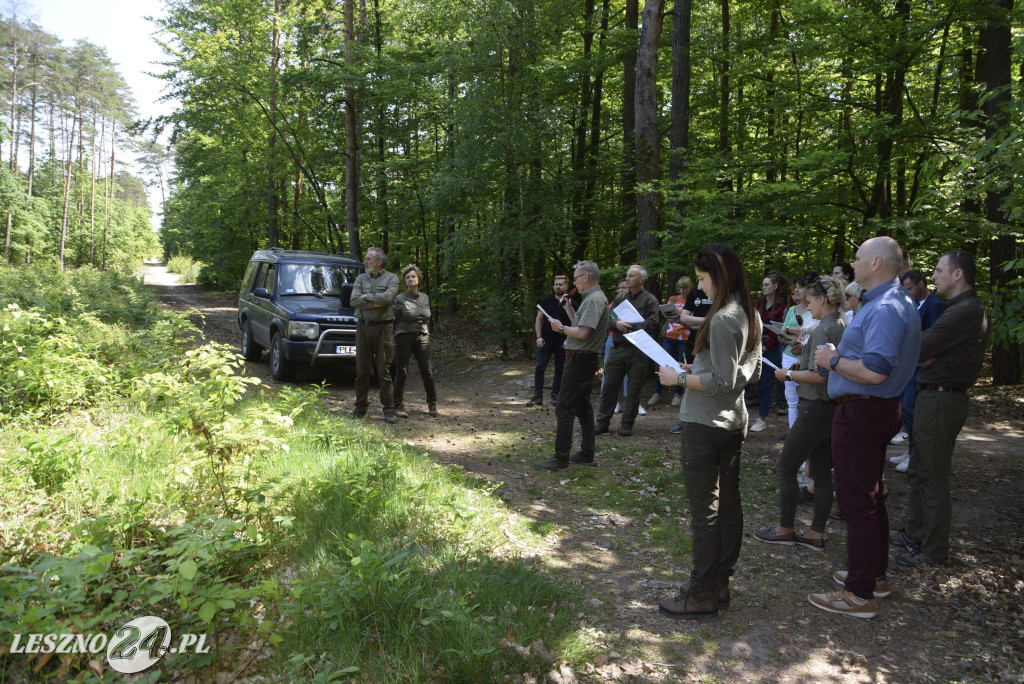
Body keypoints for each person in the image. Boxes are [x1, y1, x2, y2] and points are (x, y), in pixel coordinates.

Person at [809, 236, 920, 619]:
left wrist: (834, 359)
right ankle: (875, 576)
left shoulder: (887, 307)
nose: (851, 265)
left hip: (863, 412)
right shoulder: (889, 302)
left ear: (876, 263)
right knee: (872, 497)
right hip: (872, 410)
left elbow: (874, 371)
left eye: (857, 259)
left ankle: (859, 594)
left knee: (857, 501)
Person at [656, 243, 761, 620]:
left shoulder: (722, 319)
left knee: (706, 511)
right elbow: (750, 370)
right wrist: (698, 367)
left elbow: (722, 379)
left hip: (705, 423)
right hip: (732, 422)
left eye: (702, 278)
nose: (700, 287)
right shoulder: (749, 313)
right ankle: (720, 582)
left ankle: (701, 593)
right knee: (729, 505)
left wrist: (681, 377)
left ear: (719, 275)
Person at [891, 251, 990, 568]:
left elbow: (919, 345)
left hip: (942, 399)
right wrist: (922, 352)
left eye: (938, 270)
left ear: (958, 274)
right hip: (932, 396)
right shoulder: (958, 309)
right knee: (920, 470)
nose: (933, 276)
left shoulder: (967, 311)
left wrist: (921, 351)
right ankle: (914, 534)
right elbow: (922, 348)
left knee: (932, 476)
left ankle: (933, 551)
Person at [754, 276, 847, 551]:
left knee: (786, 466)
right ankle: (815, 534)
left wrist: (788, 374)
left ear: (821, 300)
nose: (806, 308)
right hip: (830, 407)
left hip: (814, 406)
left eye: (809, 302)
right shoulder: (841, 324)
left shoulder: (822, 329)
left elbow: (818, 376)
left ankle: (785, 528)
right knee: (821, 473)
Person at [535, 261, 611, 470]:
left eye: (576, 278)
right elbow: (580, 325)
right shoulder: (592, 298)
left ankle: (560, 459)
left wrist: (561, 328)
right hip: (583, 357)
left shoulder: (594, 299)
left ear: (586, 277)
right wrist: (569, 309)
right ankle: (586, 454)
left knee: (564, 407)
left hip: (581, 359)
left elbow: (584, 333)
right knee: (583, 407)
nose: (574, 283)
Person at [890, 270, 946, 473]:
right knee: (905, 408)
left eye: (911, 288)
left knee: (910, 407)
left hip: (921, 367)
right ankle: (910, 451)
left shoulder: (936, 305)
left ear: (922, 284)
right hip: (908, 365)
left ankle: (915, 454)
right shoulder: (912, 304)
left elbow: (932, 337)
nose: (908, 292)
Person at [594, 265, 659, 437]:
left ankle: (627, 424)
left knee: (634, 388)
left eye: (632, 275)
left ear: (641, 280)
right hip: (617, 348)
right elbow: (607, 319)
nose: (627, 278)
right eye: (627, 275)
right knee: (608, 387)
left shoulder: (650, 300)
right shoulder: (620, 297)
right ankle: (602, 423)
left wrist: (628, 325)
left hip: (638, 351)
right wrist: (617, 324)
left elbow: (652, 324)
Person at [349, 247, 400, 422]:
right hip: (363, 327)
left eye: (368, 259)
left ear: (379, 262)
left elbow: (388, 299)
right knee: (362, 369)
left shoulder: (391, 278)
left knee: (383, 370)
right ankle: (360, 407)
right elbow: (353, 301)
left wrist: (366, 298)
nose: (365, 262)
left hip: (384, 329)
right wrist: (375, 301)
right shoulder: (360, 278)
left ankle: (389, 410)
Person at [668, 282, 714, 435]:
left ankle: (705, 421)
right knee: (690, 377)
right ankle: (687, 420)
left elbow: (689, 320)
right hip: (694, 343)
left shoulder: (722, 294)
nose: (700, 285)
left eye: (703, 278)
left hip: (714, 344)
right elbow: (685, 318)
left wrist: (696, 322)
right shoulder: (695, 293)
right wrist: (709, 322)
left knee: (708, 380)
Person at [392, 264, 438, 418]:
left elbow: (426, 317)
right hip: (404, 338)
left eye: (413, 276)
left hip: (422, 338)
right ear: (405, 281)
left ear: (418, 279)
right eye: (407, 277)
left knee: (427, 372)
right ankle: (398, 405)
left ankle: (432, 403)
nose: (411, 279)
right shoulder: (399, 299)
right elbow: (395, 319)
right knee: (401, 372)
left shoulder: (425, 297)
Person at [750, 270, 789, 432]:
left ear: (775, 286)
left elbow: (778, 330)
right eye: (763, 285)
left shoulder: (781, 306)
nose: (764, 287)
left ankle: (761, 418)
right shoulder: (757, 304)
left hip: (771, 349)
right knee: (748, 379)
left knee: (767, 383)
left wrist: (765, 347)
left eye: (767, 285)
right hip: (755, 346)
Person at [778, 273, 819, 428]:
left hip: (808, 358)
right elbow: (782, 334)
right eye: (796, 286)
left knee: (807, 399)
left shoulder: (815, 310)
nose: (796, 290)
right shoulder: (792, 309)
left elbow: (812, 330)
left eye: (800, 287)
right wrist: (791, 331)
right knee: (792, 400)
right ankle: (792, 434)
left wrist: (790, 329)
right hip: (789, 355)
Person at [527, 275, 573, 407]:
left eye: (560, 284)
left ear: (566, 287)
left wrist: (568, 339)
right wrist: (539, 337)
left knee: (559, 369)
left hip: (562, 342)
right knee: (539, 368)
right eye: (556, 284)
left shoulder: (571, 303)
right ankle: (537, 396)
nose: (557, 286)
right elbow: (539, 319)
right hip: (546, 341)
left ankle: (555, 394)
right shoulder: (546, 301)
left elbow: (576, 323)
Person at [648, 276, 693, 407]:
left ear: (689, 288)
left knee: (680, 366)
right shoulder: (673, 299)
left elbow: (692, 321)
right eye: (679, 287)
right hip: (670, 336)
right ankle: (657, 393)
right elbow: (667, 315)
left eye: (684, 287)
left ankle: (678, 394)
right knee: (664, 364)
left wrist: (682, 319)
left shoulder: (692, 301)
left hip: (684, 339)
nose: (681, 290)